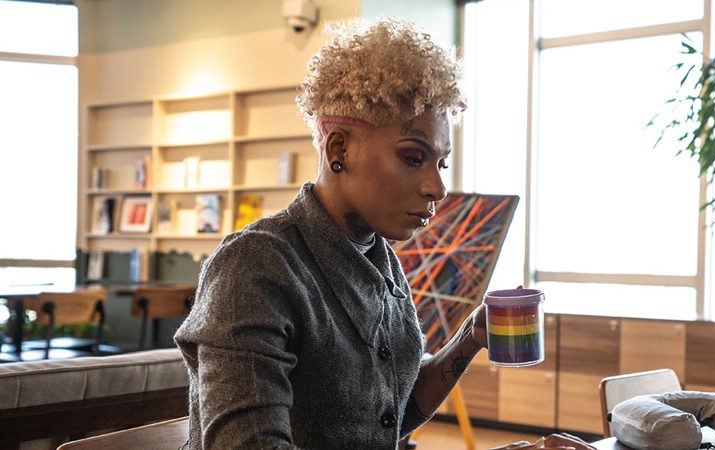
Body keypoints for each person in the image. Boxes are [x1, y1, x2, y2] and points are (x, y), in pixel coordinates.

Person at [174, 17, 595, 450]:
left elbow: (384, 418)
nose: (438, 187)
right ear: (339, 149)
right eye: (414, 158)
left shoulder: (381, 259)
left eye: (441, 163)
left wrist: (467, 340)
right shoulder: (256, 266)